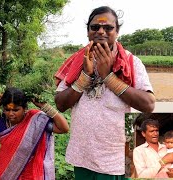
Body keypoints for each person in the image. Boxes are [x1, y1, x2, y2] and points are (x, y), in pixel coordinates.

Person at [54, 6, 156, 179]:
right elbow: (61, 104)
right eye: (95, 27)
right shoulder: (77, 61)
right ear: (88, 32)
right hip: (83, 156)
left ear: (117, 32)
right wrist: (85, 76)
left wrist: (108, 76)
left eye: (108, 28)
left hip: (115, 159)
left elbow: (148, 104)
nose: (101, 31)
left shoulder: (131, 62)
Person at [0, 87, 69, 179]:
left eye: (16, 110)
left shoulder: (35, 120)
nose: (11, 114)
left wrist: (45, 107)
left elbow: (63, 128)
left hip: (31, 174)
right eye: (7, 109)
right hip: (7, 170)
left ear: (25, 109)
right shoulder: (0, 118)